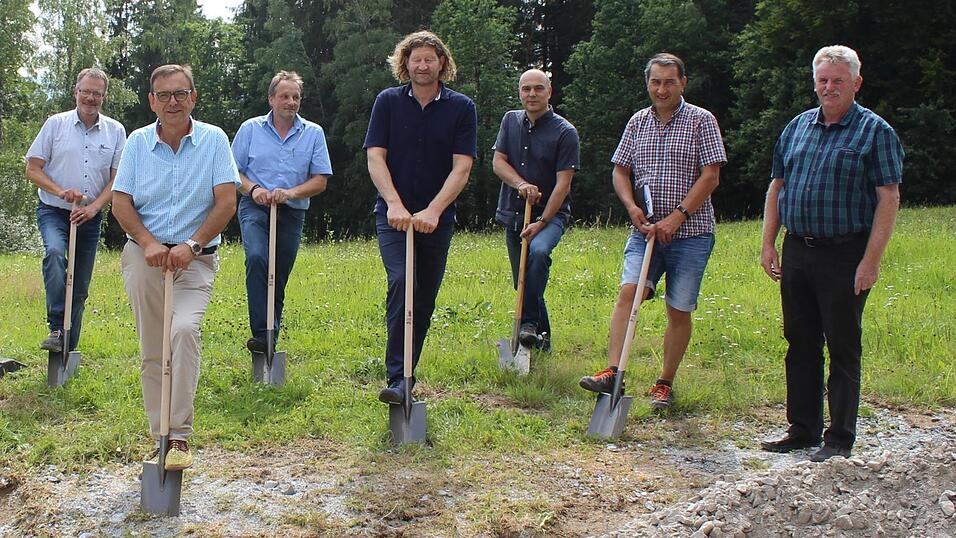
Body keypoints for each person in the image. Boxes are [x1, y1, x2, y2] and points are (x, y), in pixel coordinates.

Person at [759, 45, 903, 462]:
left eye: (838, 80)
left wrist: (870, 261)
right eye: (823, 80)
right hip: (798, 249)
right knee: (799, 341)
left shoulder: (876, 132)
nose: (829, 87)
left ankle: (839, 438)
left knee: (842, 346)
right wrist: (768, 243)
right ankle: (802, 429)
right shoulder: (796, 128)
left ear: (856, 83)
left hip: (846, 252)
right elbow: (777, 188)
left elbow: (888, 198)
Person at [579, 53, 726, 410]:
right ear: (648, 83)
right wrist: (631, 207)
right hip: (644, 232)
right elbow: (620, 171)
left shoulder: (700, 121)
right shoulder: (637, 123)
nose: (661, 89)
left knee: (678, 308)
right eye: (655, 82)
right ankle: (613, 371)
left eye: (669, 82)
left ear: (683, 83)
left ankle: (664, 382)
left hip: (690, 233)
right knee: (629, 293)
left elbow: (711, 175)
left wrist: (678, 216)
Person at [112, 65, 239, 470]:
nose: (172, 102)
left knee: (184, 330)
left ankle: (180, 436)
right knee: (153, 347)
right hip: (145, 256)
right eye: (164, 95)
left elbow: (226, 203)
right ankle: (160, 436)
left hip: (195, 260)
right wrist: (148, 243)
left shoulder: (214, 140)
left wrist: (192, 243)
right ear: (152, 101)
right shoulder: (136, 143)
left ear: (193, 98)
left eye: (180, 94)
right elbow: (121, 203)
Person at [364, 31, 477, 404]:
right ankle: (397, 377)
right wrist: (394, 203)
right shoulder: (388, 102)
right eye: (417, 59)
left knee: (424, 297)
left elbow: (462, 167)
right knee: (401, 281)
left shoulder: (461, 108)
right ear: (405, 63)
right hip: (392, 216)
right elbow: (375, 157)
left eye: (430, 58)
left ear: (442, 63)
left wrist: (434, 210)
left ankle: (409, 372)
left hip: (436, 219)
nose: (423, 65)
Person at [25, 68, 126, 353]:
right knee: (55, 254)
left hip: (89, 217)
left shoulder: (115, 131)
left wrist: (94, 208)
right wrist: (60, 191)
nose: (91, 98)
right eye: (86, 91)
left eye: (97, 93)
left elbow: (117, 179)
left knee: (79, 286)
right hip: (54, 210)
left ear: (104, 97)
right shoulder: (55, 124)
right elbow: (32, 169)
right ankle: (57, 327)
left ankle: (68, 349)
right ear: (76, 92)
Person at [232, 71, 333, 353]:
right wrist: (254, 190)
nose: (291, 102)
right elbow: (233, 172)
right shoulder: (250, 129)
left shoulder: (313, 133)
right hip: (255, 207)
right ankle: (261, 334)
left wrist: (290, 193)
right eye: (285, 96)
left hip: (291, 212)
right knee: (257, 259)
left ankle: (270, 337)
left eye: (296, 97)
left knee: (278, 273)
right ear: (271, 99)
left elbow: (320, 180)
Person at [492, 69, 579, 352]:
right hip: (514, 213)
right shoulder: (510, 121)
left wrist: (542, 221)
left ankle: (528, 324)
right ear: (519, 92)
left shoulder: (565, 132)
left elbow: (563, 184)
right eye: (526, 89)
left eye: (538, 89)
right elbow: (498, 162)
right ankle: (541, 340)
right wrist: (521, 184)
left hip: (550, 215)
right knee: (523, 279)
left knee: (538, 254)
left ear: (549, 92)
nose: (532, 94)